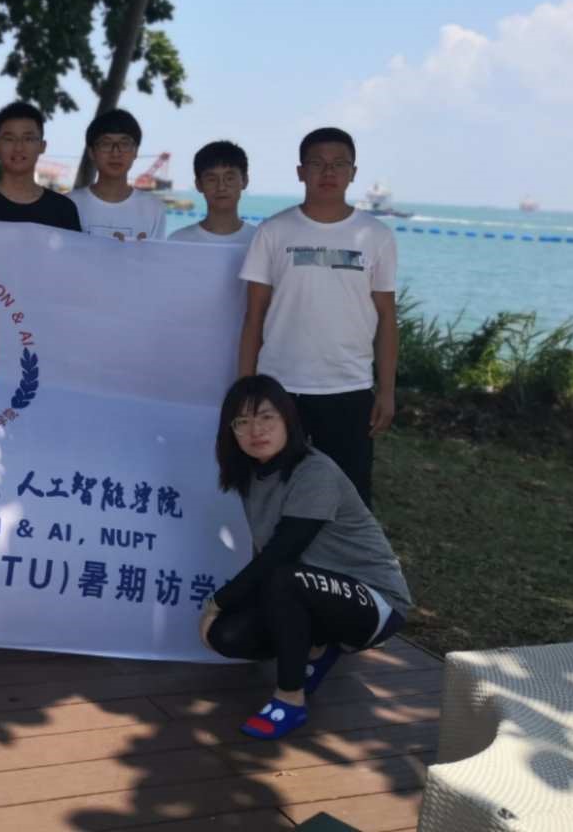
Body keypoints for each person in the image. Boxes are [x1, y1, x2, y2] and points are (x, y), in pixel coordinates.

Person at [201, 374, 411, 741]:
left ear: (288, 418)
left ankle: (290, 699)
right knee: (227, 635)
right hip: (314, 590)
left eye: (266, 417)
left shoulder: (315, 472)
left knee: (282, 578)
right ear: (230, 432)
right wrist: (228, 612)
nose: (256, 430)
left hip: (375, 601)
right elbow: (265, 552)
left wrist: (218, 601)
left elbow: (281, 552)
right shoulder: (253, 475)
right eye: (242, 422)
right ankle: (318, 649)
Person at [237, 127, 397, 508]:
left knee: (347, 501)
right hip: (279, 387)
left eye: (339, 164)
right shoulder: (273, 232)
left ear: (353, 173)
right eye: (317, 163)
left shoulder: (376, 236)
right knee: (271, 495)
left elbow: (387, 318)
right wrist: (245, 389)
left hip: (348, 388)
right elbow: (254, 316)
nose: (328, 172)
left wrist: (387, 391)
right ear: (300, 171)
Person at [0, 102, 81, 231]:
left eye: (28, 139)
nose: (18, 147)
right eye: (9, 139)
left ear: (42, 146)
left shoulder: (63, 210)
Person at [68, 109, 166, 241]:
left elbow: (158, 253)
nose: (115, 153)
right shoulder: (70, 204)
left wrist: (142, 251)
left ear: (136, 151)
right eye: (106, 144)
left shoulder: (153, 208)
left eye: (124, 144)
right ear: (91, 152)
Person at [170, 140, 256, 246]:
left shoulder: (261, 240)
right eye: (212, 179)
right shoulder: (177, 241)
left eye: (229, 178)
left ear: (245, 181)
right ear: (198, 185)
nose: (221, 187)